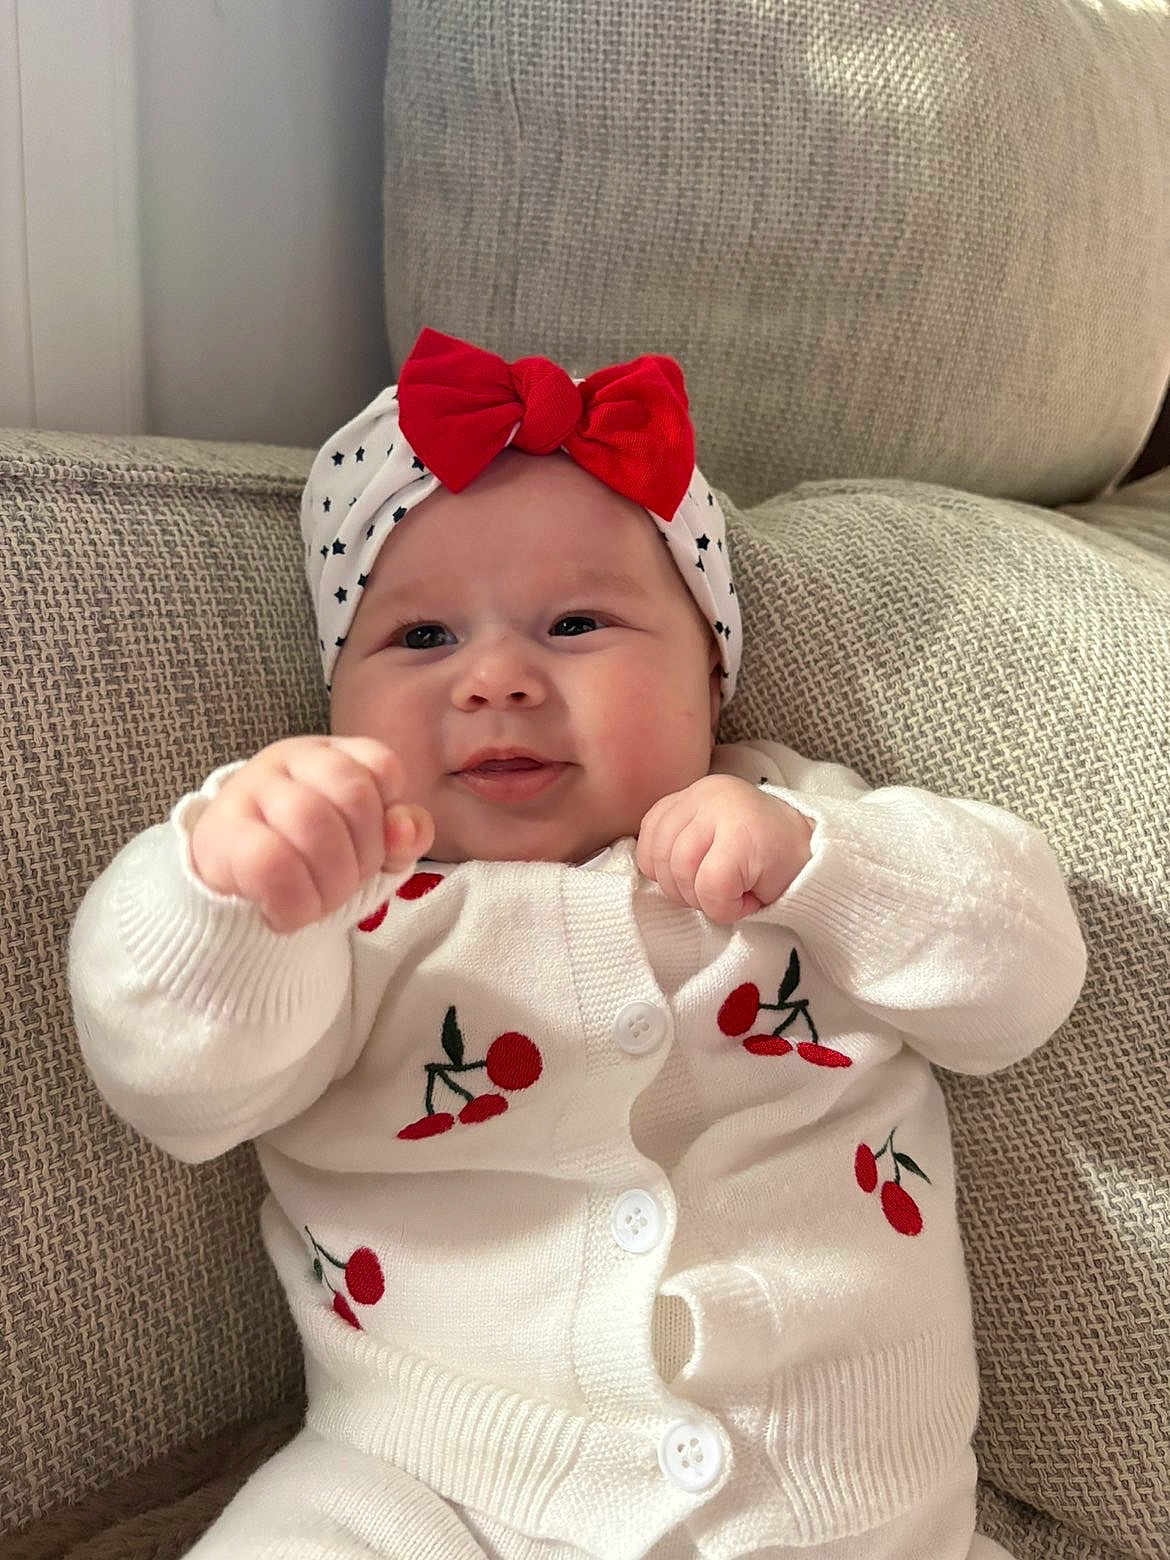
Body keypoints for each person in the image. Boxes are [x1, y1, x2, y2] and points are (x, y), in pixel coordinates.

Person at [67, 326, 1087, 1560]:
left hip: (839, 1501)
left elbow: (1024, 978)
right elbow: (178, 1090)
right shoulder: (345, 895)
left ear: (712, 678)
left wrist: (820, 862)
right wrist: (228, 893)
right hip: (431, 1490)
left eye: (577, 625)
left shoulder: (803, 825)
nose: (495, 680)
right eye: (422, 639)